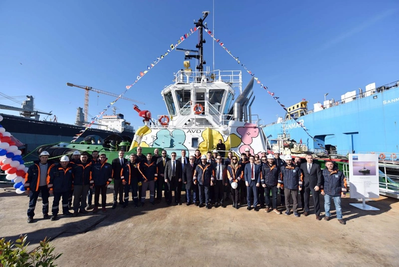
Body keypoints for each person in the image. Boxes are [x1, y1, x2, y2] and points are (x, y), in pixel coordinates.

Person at [25, 151, 52, 223]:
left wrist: (51, 188)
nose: (44, 159)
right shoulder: (33, 167)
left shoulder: (50, 166)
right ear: (40, 157)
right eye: (43, 157)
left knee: (45, 201)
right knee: (32, 202)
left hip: (45, 187)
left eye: (46, 157)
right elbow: (27, 178)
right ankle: (30, 216)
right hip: (35, 187)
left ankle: (45, 213)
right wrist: (27, 188)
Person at [47, 155, 74, 220]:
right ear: (60, 162)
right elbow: (50, 179)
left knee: (65, 201)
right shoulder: (54, 169)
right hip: (57, 188)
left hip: (66, 188)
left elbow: (72, 178)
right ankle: (54, 214)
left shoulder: (70, 169)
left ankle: (66, 211)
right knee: (56, 201)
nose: (64, 163)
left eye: (66, 162)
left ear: (68, 162)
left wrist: (72, 186)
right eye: (63, 162)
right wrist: (50, 188)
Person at [322, 161, 347, 225]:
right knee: (327, 204)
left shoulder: (339, 173)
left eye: (331, 164)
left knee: (338, 206)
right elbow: (321, 182)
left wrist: (343, 192)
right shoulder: (323, 172)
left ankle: (339, 217)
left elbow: (343, 182)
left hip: (337, 191)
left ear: (333, 165)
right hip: (327, 191)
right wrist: (322, 190)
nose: (330, 165)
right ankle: (327, 215)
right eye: (328, 164)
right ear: (326, 165)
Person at [300, 153, 323, 220]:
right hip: (305, 184)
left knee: (316, 199)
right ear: (306, 158)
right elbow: (301, 175)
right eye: (308, 158)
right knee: (305, 198)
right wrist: (301, 184)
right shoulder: (302, 165)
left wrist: (318, 185)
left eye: (311, 158)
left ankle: (317, 214)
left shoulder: (316, 166)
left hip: (314, 185)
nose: (310, 159)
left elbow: (319, 176)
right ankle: (306, 210)